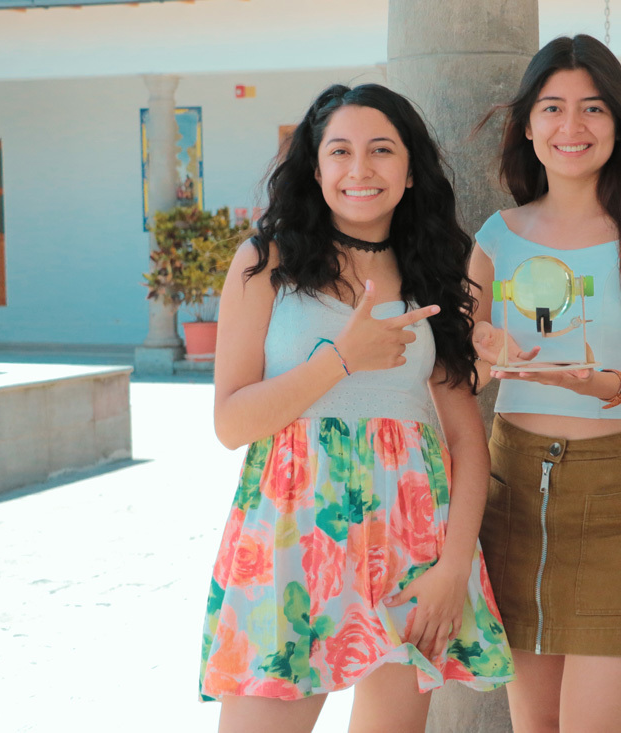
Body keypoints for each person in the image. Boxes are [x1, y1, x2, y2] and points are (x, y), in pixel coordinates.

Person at [199, 83, 514, 733]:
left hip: (412, 545)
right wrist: (341, 358)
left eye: (382, 150)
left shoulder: (433, 273)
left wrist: (454, 567)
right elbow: (231, 423)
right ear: (315, 169)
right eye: (340, 151)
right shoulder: (266, 263)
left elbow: (465, 441)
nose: (360, 168)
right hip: (290, 543)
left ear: (410, 171)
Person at [469, 35, 621, 732]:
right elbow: (465, 370)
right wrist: (481, 351)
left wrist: (603, 385)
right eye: (552, 107)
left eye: (593, 108)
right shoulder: (496, 236)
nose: (571, 126)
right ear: (527, 125)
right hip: (515, 492)